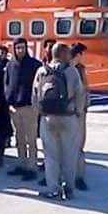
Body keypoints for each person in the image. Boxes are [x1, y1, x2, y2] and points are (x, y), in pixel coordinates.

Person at [33, 43, 86, 200]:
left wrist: (40, 113)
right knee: (70, 154)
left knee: (50, 155)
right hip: (68, 117)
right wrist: (78, 113)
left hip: (48, 117)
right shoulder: (72, 72)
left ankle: (53, 189)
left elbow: (35, 95)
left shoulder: (42, 71)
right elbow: (80, 95)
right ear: (64, 54)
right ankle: (68, 188)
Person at [4, 37, 41, 180]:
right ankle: (22, 164)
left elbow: (38, 86)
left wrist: (35, 102)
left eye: (23, 47)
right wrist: (8, 98)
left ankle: (32, 167)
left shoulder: (34, 65)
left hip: (29, 107)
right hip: (14, 107)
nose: (20, 50)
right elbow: (6, 83)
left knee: (30, 139)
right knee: (19, 138)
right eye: (18, 48)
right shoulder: (10, 65)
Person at [70, 43, 90, 191]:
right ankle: (76, 177)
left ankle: (78, 176)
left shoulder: (78, 69)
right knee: (75, 146)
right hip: (75, 111)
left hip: (76, 111)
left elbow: (85, 90)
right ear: (78, 55)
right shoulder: (74, 69)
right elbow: (85, 90)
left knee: (77, 146)